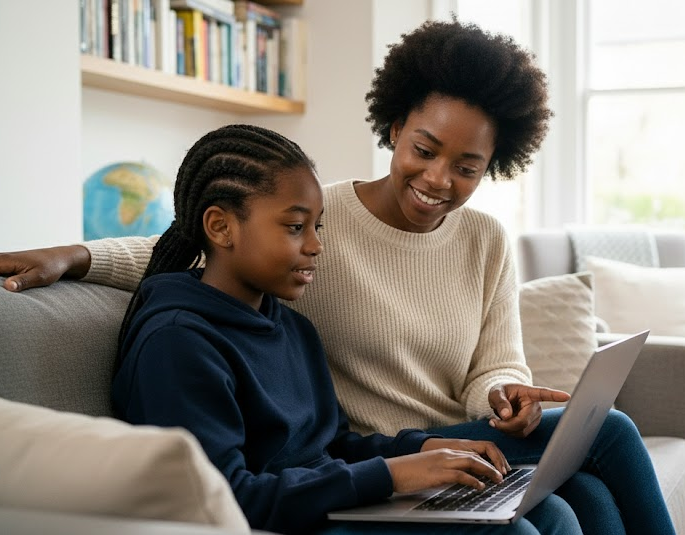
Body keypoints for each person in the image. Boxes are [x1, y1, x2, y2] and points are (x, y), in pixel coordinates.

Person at [0, 19, 676, 534]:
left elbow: (489, 363)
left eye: (467, 166)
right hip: (364, 479)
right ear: (395, 125)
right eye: (425, 149)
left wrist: (499, 396)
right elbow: (181, 247)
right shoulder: (296, 237)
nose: (440, 178)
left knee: (583, 482)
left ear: (493, 164)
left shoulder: (301, 308)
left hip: (415, 450)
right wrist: (75, 257)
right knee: (574, 481)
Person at [110, 123, 582, 535]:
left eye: (318, 226)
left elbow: (335, 446)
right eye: (296, 227)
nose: (316, 245)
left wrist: (426, 449)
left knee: (555, 512)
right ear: (220, 227)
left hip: (332, 508)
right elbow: (225, 499)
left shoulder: (290, 327)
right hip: (285, 524)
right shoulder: (177, 343)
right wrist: (393, 476)